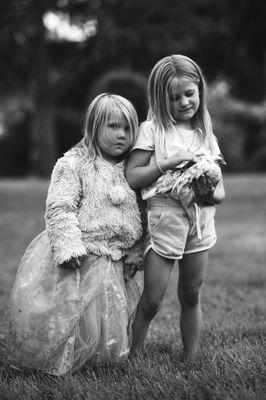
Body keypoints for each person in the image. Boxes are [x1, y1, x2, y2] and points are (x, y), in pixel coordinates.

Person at [1, 93, 143, 375]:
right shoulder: (74, 163)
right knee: (78, 313)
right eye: (113, 126)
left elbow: (138, 214)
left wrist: (135, 251)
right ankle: (71, 354)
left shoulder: (132, 170)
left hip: (115, 257)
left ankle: (106, 356)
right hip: (83, 254)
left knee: (110, 311)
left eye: (128, 128)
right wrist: (68, 246)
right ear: (93, 126)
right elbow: (59, 207)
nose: (122, 135)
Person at [125, 54, 225, 363]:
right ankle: (132, 355)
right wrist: (165, 163)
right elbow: (133, 175)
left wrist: (211, 194)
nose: (183, 102)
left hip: (200, 221)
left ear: (200, 90)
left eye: (189, 93)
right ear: (159, 98)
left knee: (191, 294)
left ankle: (191, 358)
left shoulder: (204, 134)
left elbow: (220, 189)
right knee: (153, 299)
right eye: (173, 97)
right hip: (165, 218)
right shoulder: (152, 129)